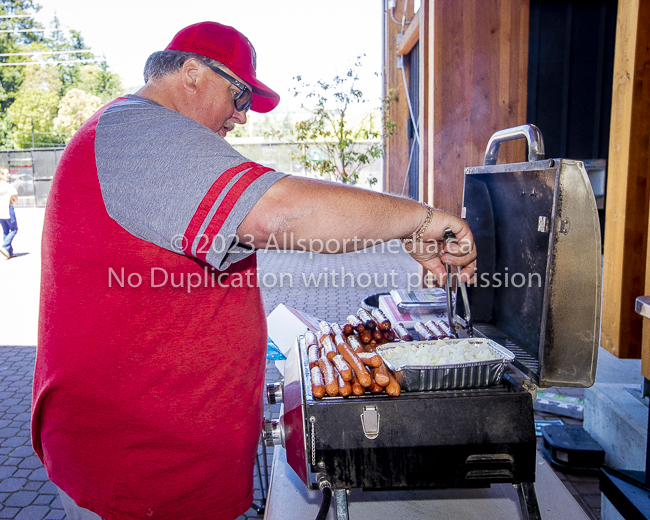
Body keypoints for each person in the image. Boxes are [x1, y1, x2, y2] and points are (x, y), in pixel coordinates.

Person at [31, 21, 477, 520]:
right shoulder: (138, 129)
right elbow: (279, 212)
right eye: (240, 95)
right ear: (192, 72)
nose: (242, 117)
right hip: (138, 474)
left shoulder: (145, 137)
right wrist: (420, 221)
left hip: (166, 466)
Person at [0, 167, 18, 259]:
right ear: (1, 175)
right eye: (6, 173)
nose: (9, 175)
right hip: (8, 209)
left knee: (6, 231)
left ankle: (9, 252)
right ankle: (4, 246)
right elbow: (14, 198)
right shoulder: (9, 186)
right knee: (14, 229)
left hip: (0, 212)